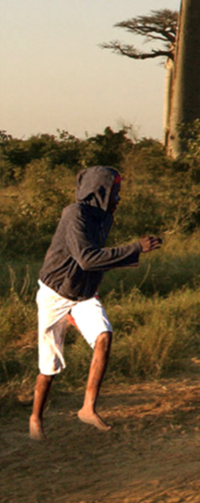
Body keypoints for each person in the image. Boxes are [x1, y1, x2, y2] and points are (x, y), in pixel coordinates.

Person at [30, 166, 163, 440]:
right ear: (100, 192)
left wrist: (106, 275)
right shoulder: (75, 214)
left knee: (104, 335)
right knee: (49, 365)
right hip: (55, 295)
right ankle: (35, 417)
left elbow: (95, 261)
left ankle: (88, 408)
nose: (118, 198)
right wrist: (135, 248)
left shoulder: (103, 218)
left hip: (83, 293)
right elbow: (88, 258)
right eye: (115, 192)